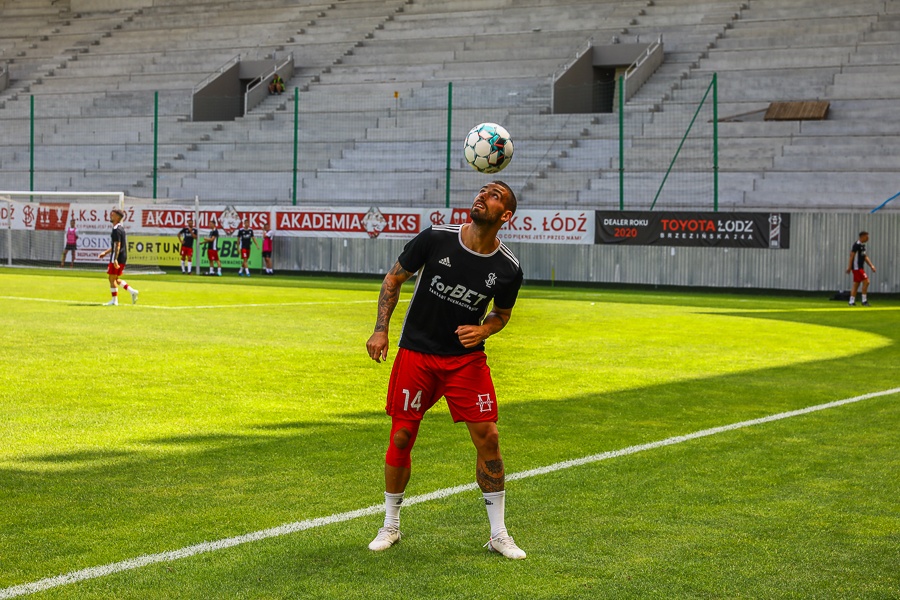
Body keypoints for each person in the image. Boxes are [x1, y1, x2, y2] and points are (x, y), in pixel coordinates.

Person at [365, 181, 526, 560]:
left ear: (506, 216)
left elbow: (501, 315)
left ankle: (498, 534)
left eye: (494, 195)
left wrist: (484, 329)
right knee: (402, 435)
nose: (482, 196)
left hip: (465, 361)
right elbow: (394, 278)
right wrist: (380, 329)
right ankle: (390, 524)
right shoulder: (436, 238)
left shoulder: (507, 268)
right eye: (482, 190)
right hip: (417, 353)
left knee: (489, 437)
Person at [97, 208, 138, 306]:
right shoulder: (121, 228)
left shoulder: (116, 230)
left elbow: (118, 245)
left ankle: (114, 301)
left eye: (113, 214)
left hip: (118, 257)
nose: (111, 215)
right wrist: (106, 253)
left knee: (111, 279)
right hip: (122, 256)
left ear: (117, 217)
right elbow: (116, 245)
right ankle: (132, 291)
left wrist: (115, 258)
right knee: (114, 279)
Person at [846, 230, 876, 306]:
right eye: (866, 236)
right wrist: (849, 267)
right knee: (866, 282)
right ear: (862, 236)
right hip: (857, 268)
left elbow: (865, 256)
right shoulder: (856, 245)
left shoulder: (862, 245)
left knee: (856, 284)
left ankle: (851, 301)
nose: (868, 238)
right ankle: (864, 301)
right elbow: (851, 255)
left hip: (860, 267)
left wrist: (871, 265)